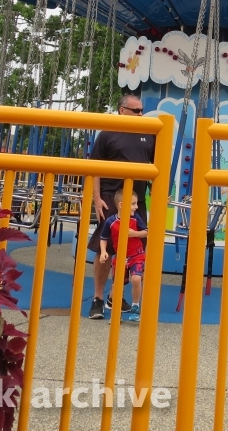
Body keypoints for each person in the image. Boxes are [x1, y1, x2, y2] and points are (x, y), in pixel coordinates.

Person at [87, 93, 155, 321]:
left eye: (142, 110)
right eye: (136, 111)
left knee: (133, 250)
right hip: (111, 197)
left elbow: (156, 166)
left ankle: (114, 296)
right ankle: (98, 298)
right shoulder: (108, 133)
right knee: (105, 248)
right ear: (122, 110)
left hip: (137, 200)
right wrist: (97, 198)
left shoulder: (148, 133)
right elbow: (95, 167)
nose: (141, 114)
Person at [98, 189, 148, 322]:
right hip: (121, 257)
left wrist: (135, 234)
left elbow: (146, 231)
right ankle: (116, 311)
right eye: (133, 204)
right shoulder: (111, 222)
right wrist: (103, 251)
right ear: (121, 205)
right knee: (117, 284)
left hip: (136, 255)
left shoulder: (135, 218)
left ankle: (135, 307)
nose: (136, 207)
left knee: (136, 279)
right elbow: (103, 238)